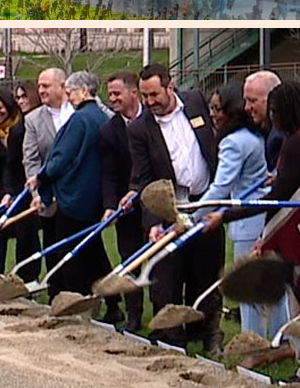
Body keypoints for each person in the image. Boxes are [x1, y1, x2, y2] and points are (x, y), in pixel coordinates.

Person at [203, 81, 300, 388]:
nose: (271, 116)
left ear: (286, 111)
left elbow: (278, 199)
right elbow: (297, 180)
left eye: (274, 110)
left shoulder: (297, 143)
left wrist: (225, 215)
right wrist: (280, 177)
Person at [126, 64, 224, 353]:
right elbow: (144, 178)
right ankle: (170, 338)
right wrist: (154, 221)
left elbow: (213, 146)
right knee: (166, 280)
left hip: (205, 203)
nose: (149, 102)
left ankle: (208, 335)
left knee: (206, 274)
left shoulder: (196, 102)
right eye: (144, 96)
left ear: (170, 87)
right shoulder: (139, 129)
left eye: (154, 94)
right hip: (169, 208)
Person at [34, 71, 123, 323]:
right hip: (95, 196)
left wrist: (43, 177)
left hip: (74, 196)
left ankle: (77, 302)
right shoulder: (103, 117)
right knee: (94, 251)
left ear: (84, 91)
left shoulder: (80, 119)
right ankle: (113, 303)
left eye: (70, 92)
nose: (69, 98)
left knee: (71, 252)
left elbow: (61, 157)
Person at [197, 81, 282, 340]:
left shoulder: (234, 141)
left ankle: (252, 340)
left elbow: (221, 186)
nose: (212, 114)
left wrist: (193, 215)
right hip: (263, 217)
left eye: (217, 109)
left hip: (248, 222)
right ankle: (280, 339)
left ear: (230, 110)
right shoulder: (255, 135)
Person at [96, 72, 146, 332]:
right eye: (110, 94)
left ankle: (166, 316)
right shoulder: (108, 131)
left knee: (163, 263)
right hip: (126, 208)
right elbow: (109, 173)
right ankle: (134, 315)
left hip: (155, 202)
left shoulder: (152, 120)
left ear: (133, 93)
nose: (112, 98)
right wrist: (110, 205)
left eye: (117, 93)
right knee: (129, 260)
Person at [0, 87, 40, 278]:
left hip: (23, 189)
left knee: (27, 235)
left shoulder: (22, 128)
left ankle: (27, 276)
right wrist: (3, 193)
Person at [23, 67, 73, 291]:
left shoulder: (79, 112)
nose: (41, 90)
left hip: (78, 195)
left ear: (62, 86)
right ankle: (56, 293)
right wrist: (36, 194)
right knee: (52, 246)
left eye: (46, 86)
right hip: (50, 196)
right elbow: (31, 160)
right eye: (39, 86)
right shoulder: (33, 120)